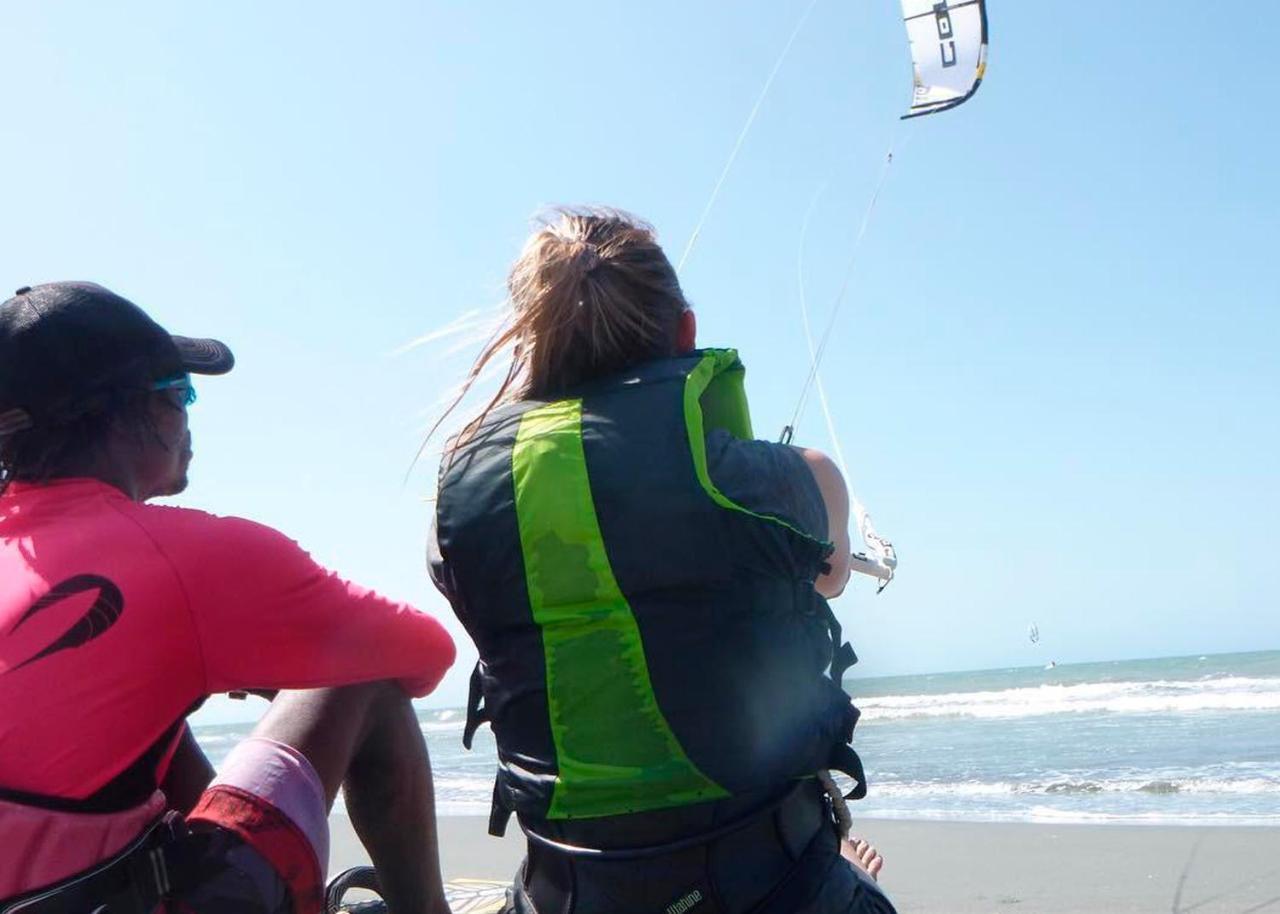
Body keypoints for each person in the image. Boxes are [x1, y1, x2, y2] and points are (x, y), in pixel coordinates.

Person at [428, 209, 896, 913]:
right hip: (771, 887)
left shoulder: (456, 508)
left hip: (569, 893)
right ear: (686, 333)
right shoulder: (789, 478)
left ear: (532, 344)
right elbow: (827, 575)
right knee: (854, 884)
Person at [0, 282, 457, 914]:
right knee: (363, 679)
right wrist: (267, 668)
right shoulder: (182, 555)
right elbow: (424, 652)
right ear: (133, 412)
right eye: (181, 392)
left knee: (153, 719)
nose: (189, 417)